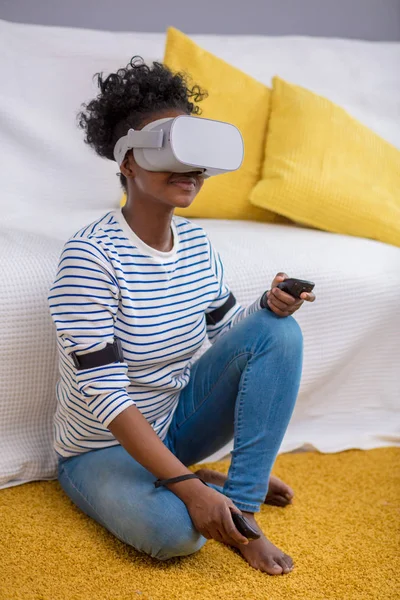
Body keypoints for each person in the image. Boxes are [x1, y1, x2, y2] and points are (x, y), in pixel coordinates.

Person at [48, 57, 315, 576]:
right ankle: (194, 483)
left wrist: (269, 306)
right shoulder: (89, 257)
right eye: (166, 148)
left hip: (175, 424)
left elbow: (232, 335)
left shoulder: (195, 242)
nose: (189, 168)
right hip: (99, 448)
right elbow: (105, 397)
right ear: (127, 161)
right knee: (175, 536)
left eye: (194, 154)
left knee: (278, 331)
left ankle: (244, 510)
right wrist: (191, 489)